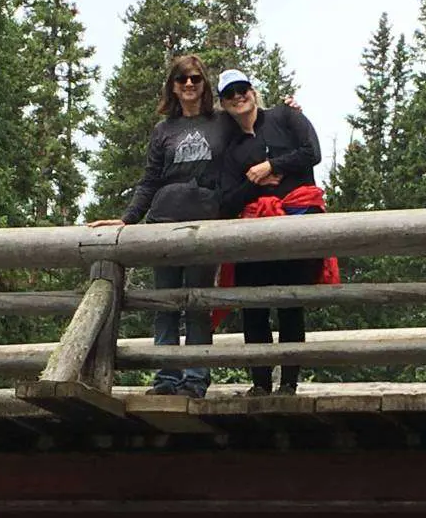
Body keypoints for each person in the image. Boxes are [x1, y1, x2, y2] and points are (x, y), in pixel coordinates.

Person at [88, 55, 228, 398]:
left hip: (206, 224)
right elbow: (150, 180)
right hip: (163, 223)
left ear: (204, 84)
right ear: (173, 87)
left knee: (197, 303)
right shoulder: (163, 130)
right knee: (164, 303)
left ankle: (195, 379)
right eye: (182, 79)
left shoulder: (222, 123)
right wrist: (126, 219)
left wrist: (290, 113)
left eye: (195, 78)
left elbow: (257, 125)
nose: (189, 84)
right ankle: (166, 378)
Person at [215, 69, 337, 396]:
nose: (238, 96)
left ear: (253, 91)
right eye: (230, 94)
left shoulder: (285, 115)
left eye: (242, 89)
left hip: (296, 225)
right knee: (253, 307)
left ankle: (289, 384)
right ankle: (260, 384)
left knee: (290, 304)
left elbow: (313, 152)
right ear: (223, 104)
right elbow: (226, 202)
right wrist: (252, 181)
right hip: (253, 236)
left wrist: (272, 165)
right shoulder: (231, 148)